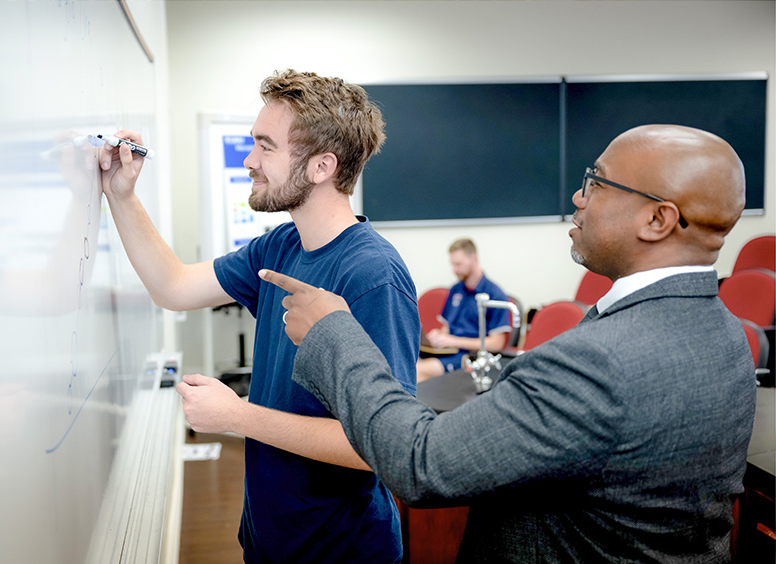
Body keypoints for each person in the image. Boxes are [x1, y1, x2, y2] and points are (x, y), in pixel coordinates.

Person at [260, 124, 757, 563]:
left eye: (596, 183)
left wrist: (334, 333)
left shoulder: (601, 362)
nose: (579, 198)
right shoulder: (724, 333)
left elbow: (421, 462)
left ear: (658, 219)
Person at [97, 70, 420, 563]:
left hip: (342, 551)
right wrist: (121, 194)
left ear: (321, 167)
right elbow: (174, 285)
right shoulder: (282, 244)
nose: (249, 162)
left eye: (265, 147)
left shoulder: (373, 274)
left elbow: (378, 445)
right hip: (272, 539)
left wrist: (236, 416)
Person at [417, 238, 510, 381]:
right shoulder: (456, 290)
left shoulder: (494, 294)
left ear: (474, 259)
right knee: (405, 364)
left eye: (458, 264)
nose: (454, 269)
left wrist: (453, 341)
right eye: (452, 264)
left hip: (468, 357)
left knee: (417, 371)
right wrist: (437, 337)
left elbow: (497, 343)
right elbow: (446, 328)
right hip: (446, 352)